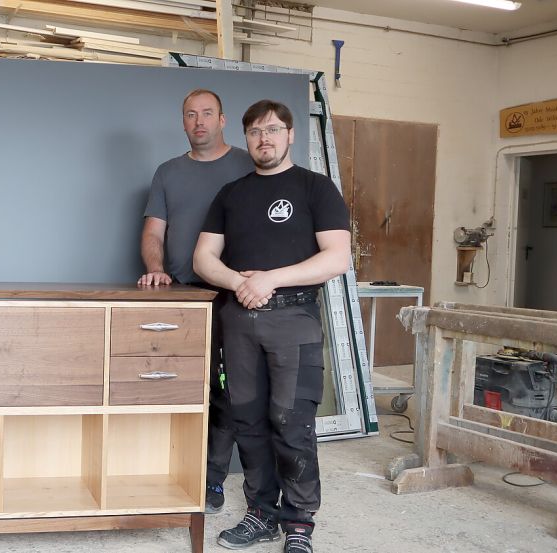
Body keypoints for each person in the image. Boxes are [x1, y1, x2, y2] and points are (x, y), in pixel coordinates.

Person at [193, 99, 351, 553]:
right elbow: (203, 258)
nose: (265, 138)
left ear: (290, 134)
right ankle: (261, 513)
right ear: (246, 138)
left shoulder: (315, 189)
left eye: (274, 130)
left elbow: (336, 257)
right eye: (256, 131)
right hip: (239, 321)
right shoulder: (232, 194)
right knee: (248, 421)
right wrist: (240, 283)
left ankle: (299, 523)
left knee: (291, 422)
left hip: (294, 320)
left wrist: (271, 279)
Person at [138, 89, 253, 514]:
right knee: (175, 384)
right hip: (184, 295)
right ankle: (163, 472)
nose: (199, 121)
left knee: (226, 393)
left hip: (235, 295)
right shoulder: (167, 172)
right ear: (182, 122)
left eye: (207, 113)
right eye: (191, 114)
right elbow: (154, 232)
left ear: (223, 120)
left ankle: (211, 481)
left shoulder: (247, 164)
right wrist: (156, 268)